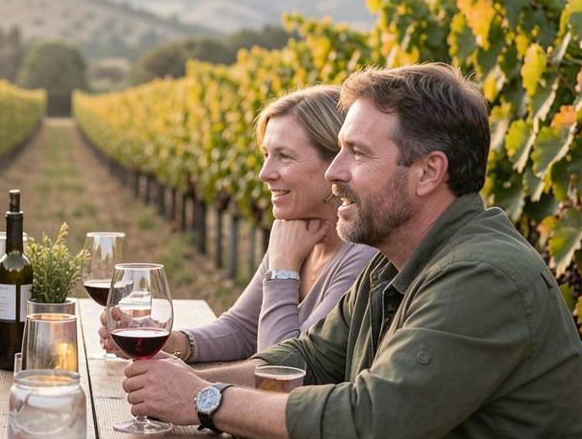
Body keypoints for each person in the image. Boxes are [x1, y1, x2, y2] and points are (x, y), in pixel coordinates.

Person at [121, 63, 582, 439]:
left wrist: (205, 402)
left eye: (358, 153)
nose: (334, 172)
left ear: (428, 172)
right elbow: (308, 358)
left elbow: (372, 420)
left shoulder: (482, 277)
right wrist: (185, 381)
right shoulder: (395, 259)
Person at [99, 86, 376, 361]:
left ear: (336, 163)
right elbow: (242, 330)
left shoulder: (362, 258)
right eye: (266, 155)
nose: (264, 173)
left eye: (284, 156)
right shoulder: (295, 233)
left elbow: (282, 371)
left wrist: (282, 271)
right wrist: (164, 342)